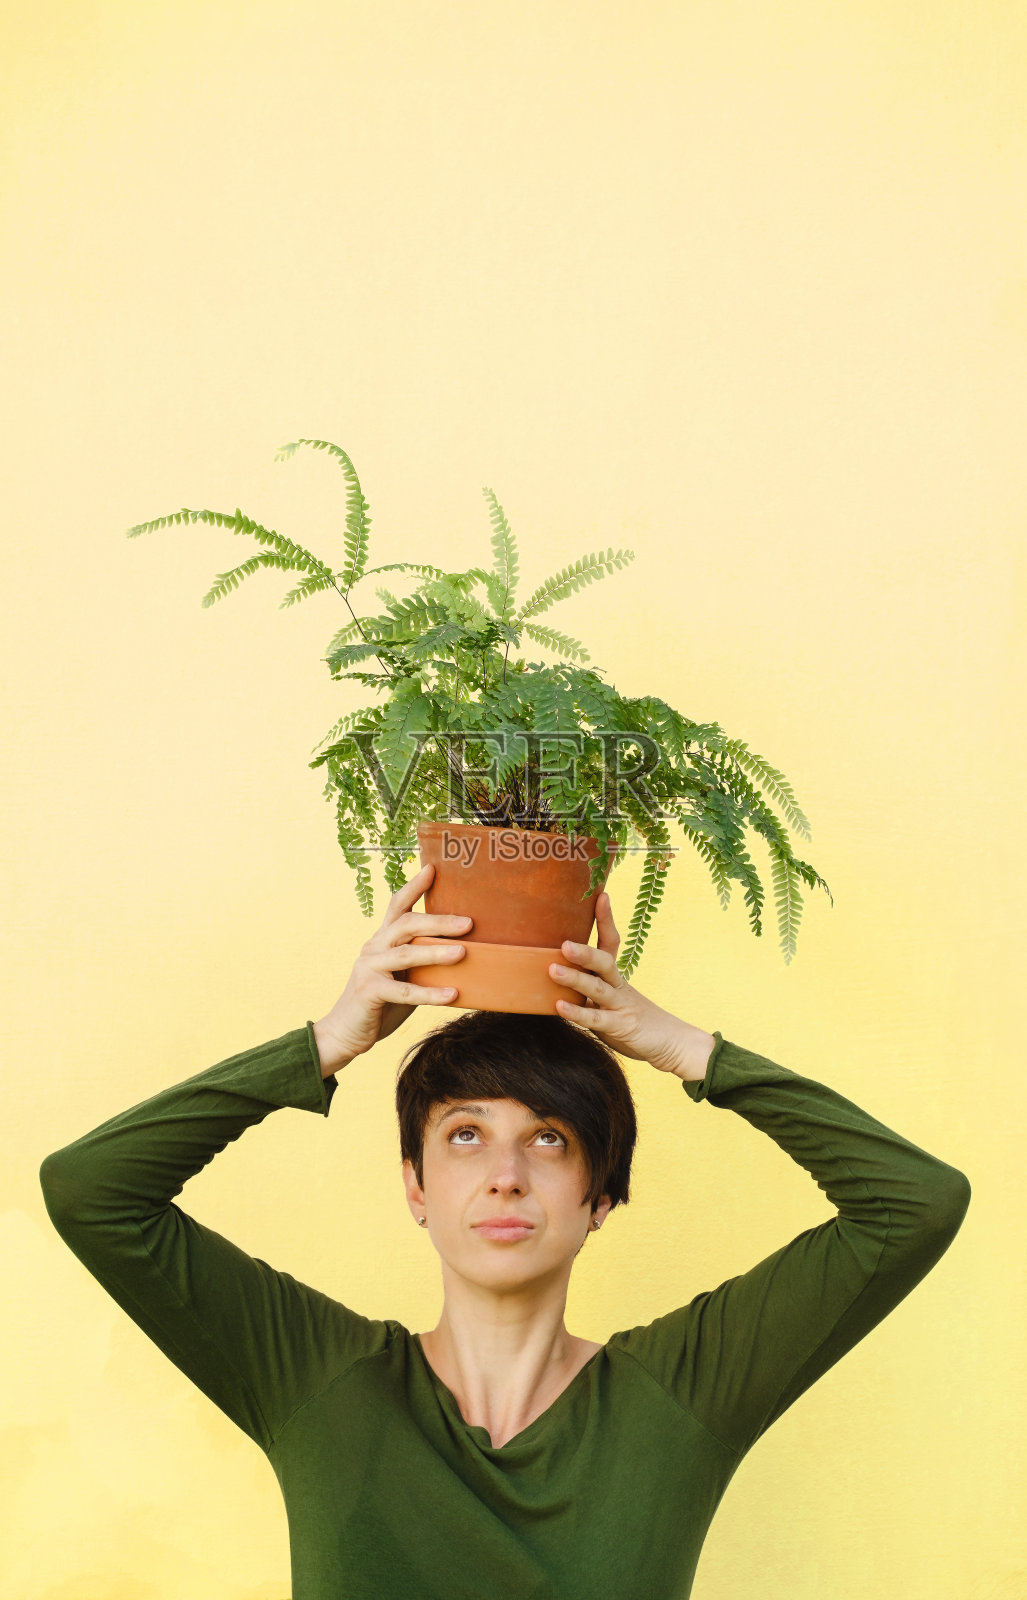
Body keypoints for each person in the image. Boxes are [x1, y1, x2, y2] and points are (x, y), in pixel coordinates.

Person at [39, 861, 971, 1600]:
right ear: (415, 1186)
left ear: (600, 1196)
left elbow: (913, 1202)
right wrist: (330, 1040)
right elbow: (91, 1191)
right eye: (465, 1135)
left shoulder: (679, 1396)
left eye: (550, 1140)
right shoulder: (319, 1383)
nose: (504, 1175)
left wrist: (683, 1049)